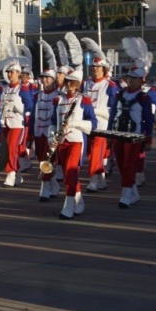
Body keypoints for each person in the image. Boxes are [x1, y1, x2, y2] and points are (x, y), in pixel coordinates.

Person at [108, 65, 154, 208]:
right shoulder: (119, 94)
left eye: (135, 79)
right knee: (121, 164)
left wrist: (148, 139)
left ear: (141, 81)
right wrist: (109, 133)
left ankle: (126, 195)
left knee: (129, 164)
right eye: (129, 78)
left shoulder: (144, 98)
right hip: (118, 134)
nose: (131, 81)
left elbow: (148, 120)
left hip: (135, 136)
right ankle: (133, 193)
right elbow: (113, 114)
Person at [53, 69, 97, 219]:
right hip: (61, 142)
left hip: (76, 141)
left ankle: (69, 207)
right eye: (68, 81)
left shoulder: (84, 100)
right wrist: (50, 135)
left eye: (73, 82)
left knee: (71, 173)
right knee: (67, 175)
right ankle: (79, 202)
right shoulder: (58, 100)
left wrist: (75, 123)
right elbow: (54, 122)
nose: (70, 84)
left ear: (78, 84)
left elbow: (93, 123)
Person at [81, 53, 117, 192]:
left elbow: (113, 107)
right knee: (90, 153)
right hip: (87, 124)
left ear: (104, 69)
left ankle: (93, 181)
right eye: (93, 67)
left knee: (96, 153)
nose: (95, 70)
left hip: (102, 124)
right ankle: (101, 179)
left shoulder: (110, 85)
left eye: (98, 67)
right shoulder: (86, 83)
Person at [0, 60, 34, 187]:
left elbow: (29, 106)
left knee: (11, 148)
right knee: (8, 149)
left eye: (12, 72)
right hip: (6, 123)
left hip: (17, 123)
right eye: (8, 72)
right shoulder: (5, 88)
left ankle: (10, 174)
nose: (9, 75)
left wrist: (17, 107)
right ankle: (18, 174)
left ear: (18, 73)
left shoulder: (23, 89)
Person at [32, 66, 60, 201]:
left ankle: (45, 189)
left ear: (53, 80)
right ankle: (54, 185)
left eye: (47, 78)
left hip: (51, 133)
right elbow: (33, 116)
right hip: (38, 132)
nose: (44, 80)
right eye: (43, 78)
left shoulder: (58, 96)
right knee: (41, 160)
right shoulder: (37, 95)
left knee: (46, 160)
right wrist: (29, 134)